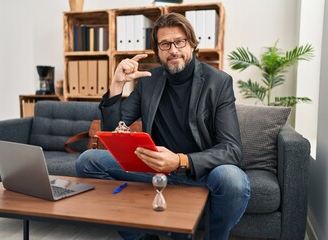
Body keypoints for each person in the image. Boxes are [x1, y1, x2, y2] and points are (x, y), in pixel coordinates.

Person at [75, 12, 250, 240]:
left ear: (192, 44)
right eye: (165, 44)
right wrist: (117, 85)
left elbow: (232, 149)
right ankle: (140, 235)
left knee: (232, 180)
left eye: (180, 41)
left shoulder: (218, 82)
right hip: (153, 168)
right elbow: (112, 131)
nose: (174, 50)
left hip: (198, 171)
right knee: (87, 161)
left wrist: (180, 160)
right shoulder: (148, 80)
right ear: (157, 51)